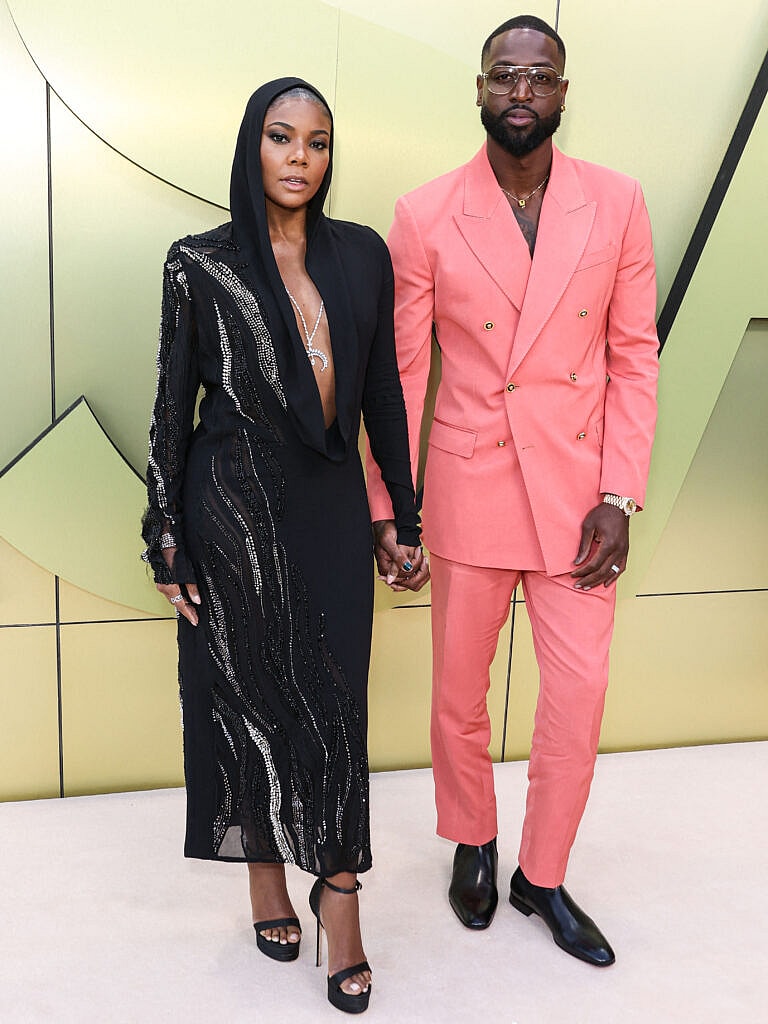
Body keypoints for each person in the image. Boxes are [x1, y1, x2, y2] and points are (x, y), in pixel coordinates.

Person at [366, 15, 658, 966]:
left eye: (540, 76)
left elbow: (632, 357)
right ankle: (475, 842)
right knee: (459, 690)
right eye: (505, 75)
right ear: (481, 89)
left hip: (581, 494)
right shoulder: (425, 214)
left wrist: (621, 490)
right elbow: (404, 374)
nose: (521, 91)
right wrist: (391, 508)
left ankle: (544, 871)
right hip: (470, 479)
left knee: (577, 698)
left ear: (564, 92)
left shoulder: (616, 203)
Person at [142, 77, 428, 1014]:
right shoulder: (201, 262)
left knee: (338, 710)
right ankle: (265, 871)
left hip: (332, 508)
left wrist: (403, 516)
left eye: (317, 141)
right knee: (247, 700)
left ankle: (339, 899)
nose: (300, 158)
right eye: (281, 138)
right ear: (251, 146)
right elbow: (172, 409)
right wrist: (167, 536)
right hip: (229, 509)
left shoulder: (363, 257)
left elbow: (383, 390)